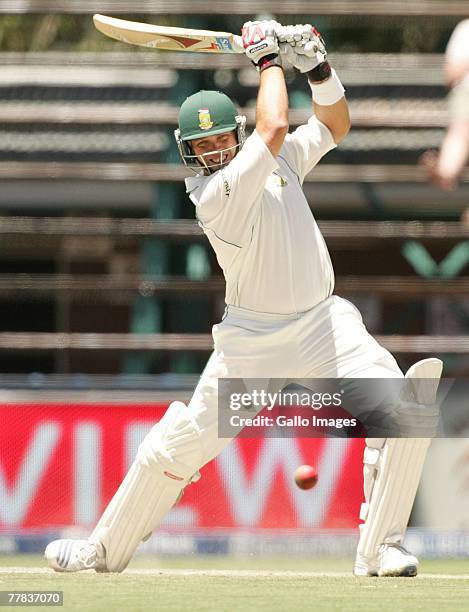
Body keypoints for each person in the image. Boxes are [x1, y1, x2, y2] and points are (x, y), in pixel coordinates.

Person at [44, 20, 441, 577]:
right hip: (252, 346)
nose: (213, 152)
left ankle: (381, 547)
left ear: (234, 134)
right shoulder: (213, 196)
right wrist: (267, 60)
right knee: (179, 446)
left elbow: (334, 122)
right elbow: (275, 122)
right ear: (189, 155)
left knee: (405, 407)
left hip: (325, 328)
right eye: (200, 147)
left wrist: (318, 67)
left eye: (220, 140)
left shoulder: (277, 161)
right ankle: (101, 551)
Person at [421, 19, 469, 191]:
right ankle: (446, 172)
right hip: (465, 97)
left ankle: (445, 171)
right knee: (462, 128)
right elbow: (450, 75)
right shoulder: (465, 29)